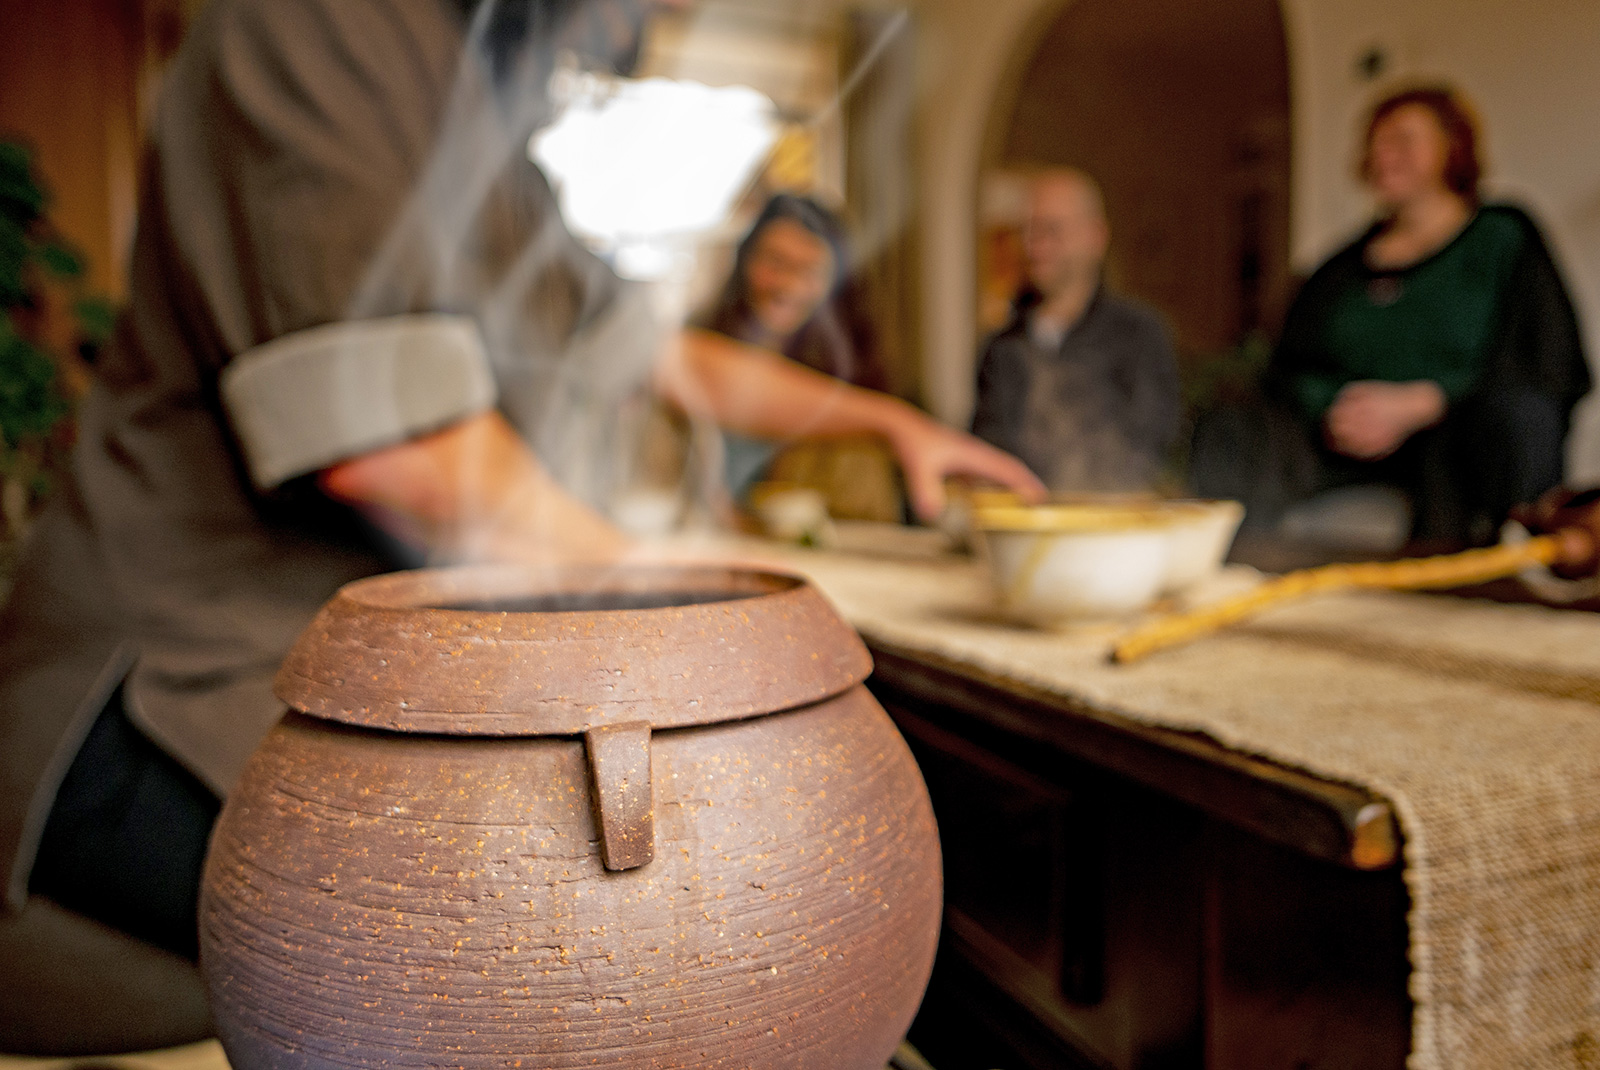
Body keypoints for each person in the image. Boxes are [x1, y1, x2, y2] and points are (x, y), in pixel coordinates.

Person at [0, 0, 1043, 964]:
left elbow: (662, 355)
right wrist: (680, 593)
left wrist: (887, 422)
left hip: (365, 690)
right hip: (165, 691)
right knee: (589, 955)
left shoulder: (487, 130)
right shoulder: (321, 23)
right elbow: (400, 450)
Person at [1193, 85, 1590, 545]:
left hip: (1458, 439)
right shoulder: (1339, 269)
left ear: (1452, 147)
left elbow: (1548, 359)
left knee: (1522, 415)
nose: (1383, 156)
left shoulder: (1503, 237)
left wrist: (1424, 404)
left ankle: (1504, 574)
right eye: (1375, 143)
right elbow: (1288, 368)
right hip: (1342, 442)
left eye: (1402, 140)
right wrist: (1341, 408)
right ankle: (1241, 564)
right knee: (1231, 424)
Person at [970, 168, 1182, 494]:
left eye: (1051, 230)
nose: (1035, 246)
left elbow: (1153, 446)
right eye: (1027, 232)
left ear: (1095, 236)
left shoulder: (1139, 336)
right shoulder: (1001, 347)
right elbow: (986, 445)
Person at [697, 193, 887, 500]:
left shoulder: (852, 388)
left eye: (809, 270)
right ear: (746, 260)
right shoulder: (702, 354)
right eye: (776, 262)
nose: (788, 284)